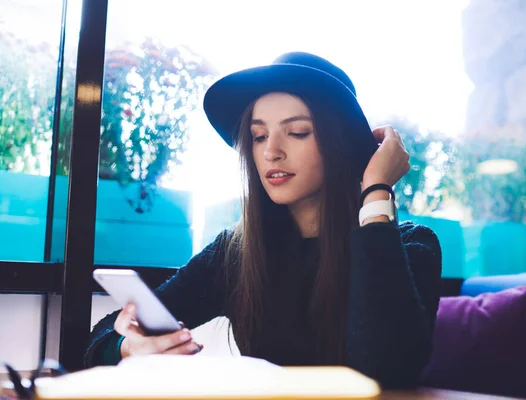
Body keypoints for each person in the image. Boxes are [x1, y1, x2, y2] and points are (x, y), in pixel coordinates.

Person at [84, 52, 442, 389]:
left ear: (341, 145)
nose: (271, 151)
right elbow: (100, 339)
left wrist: (377, 192)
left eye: (297, 132)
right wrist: (128, 349)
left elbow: (388, 372)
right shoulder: (235, 254)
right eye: (258, 136)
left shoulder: (411, 246)